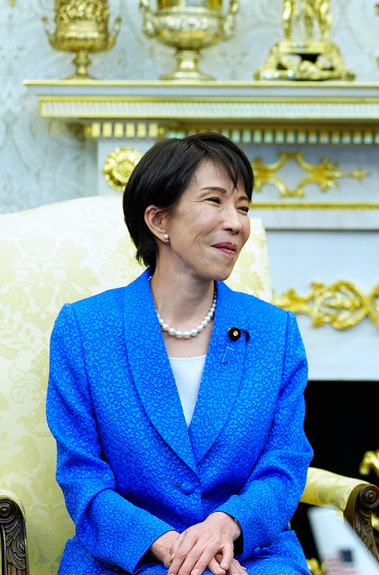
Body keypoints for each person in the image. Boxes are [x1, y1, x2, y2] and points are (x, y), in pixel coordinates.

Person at [46, 133, 313, 575]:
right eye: (215, 201)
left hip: (248, 554)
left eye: (243, 207)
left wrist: (227, 526)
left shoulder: (274, 332)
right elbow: (81, 475)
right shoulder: (84, 330)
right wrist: (170, 547)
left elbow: (285, 462)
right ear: (158, 220)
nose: (236, 223)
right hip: (125, 559)